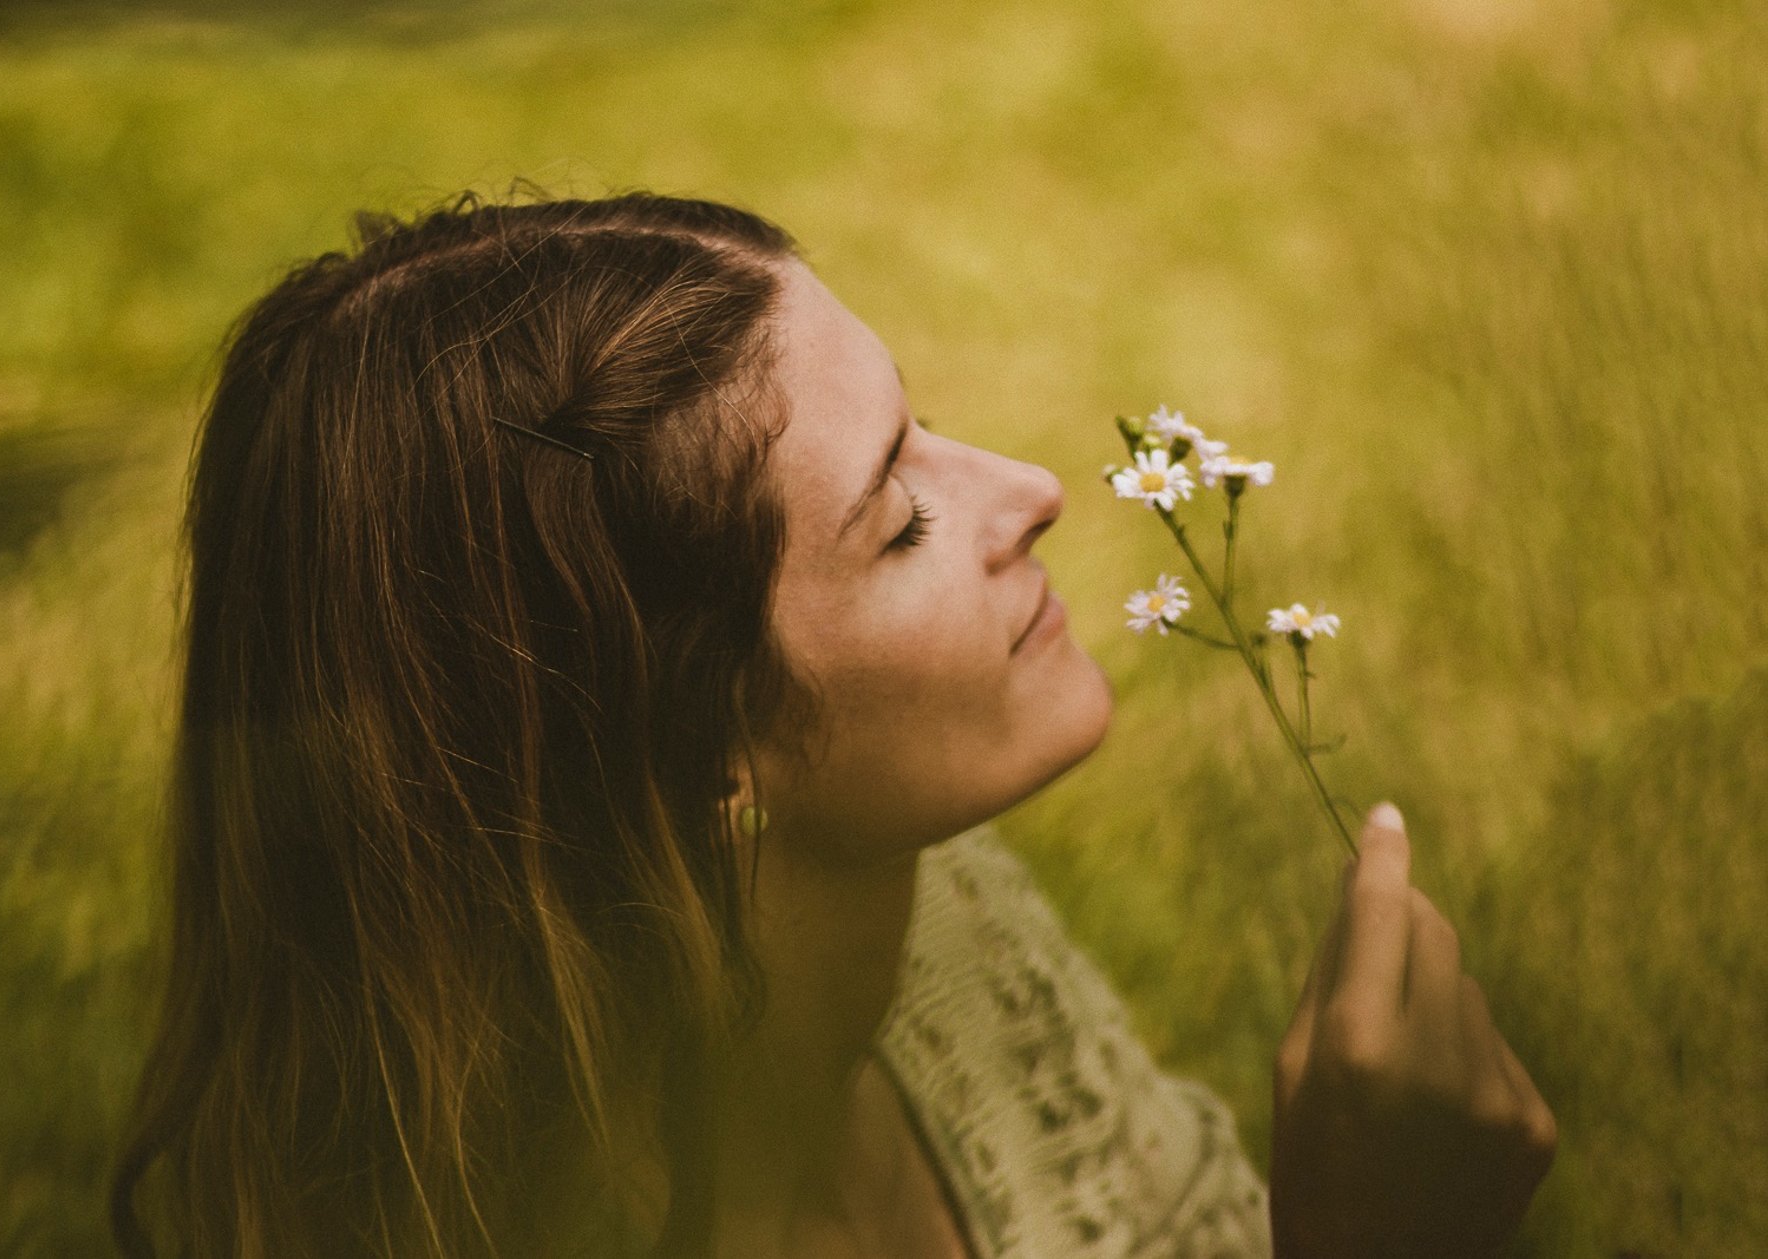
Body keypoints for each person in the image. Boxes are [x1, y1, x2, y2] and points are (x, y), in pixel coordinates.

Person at [110, 192, 1556, 1257]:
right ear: (697, 755)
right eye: (903, 517)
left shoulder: (935, 930)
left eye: (925, 431)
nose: (1039, 487)